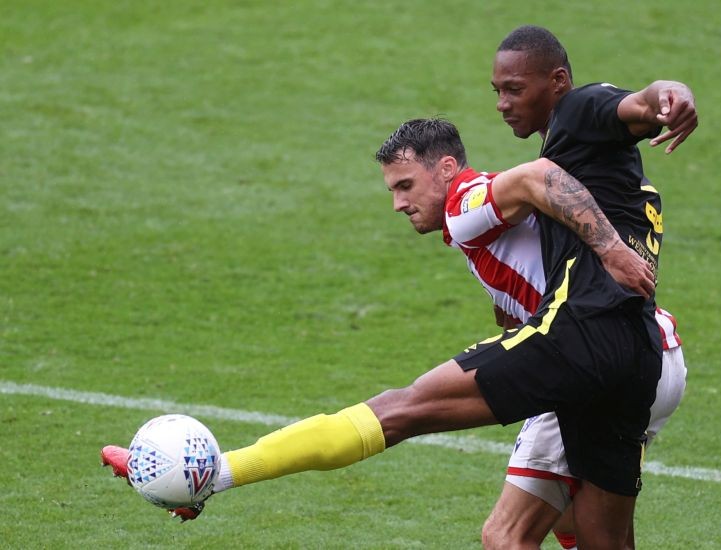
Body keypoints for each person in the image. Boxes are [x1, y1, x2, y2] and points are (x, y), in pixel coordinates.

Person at [103, 114, 690, 549]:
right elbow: (529, 293)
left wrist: (611, 250)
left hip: (594, 352)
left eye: (405, 185)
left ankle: (220, 472)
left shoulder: (467, 202)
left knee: (402, 416)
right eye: (391, 190)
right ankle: (213, 478)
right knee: (560, 526)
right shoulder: (481, 237)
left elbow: (538, 176)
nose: (397, 203)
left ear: (446, 169)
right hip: (650, 356)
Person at [480, 25, 696, 549]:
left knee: (504, 536)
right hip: (642, 352)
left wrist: (671, 96)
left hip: (592, 346)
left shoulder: (577, 111)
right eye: (497, 92)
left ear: (556, 81)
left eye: (514, 89)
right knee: (590, 533)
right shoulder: (593, 162)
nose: (503, 104)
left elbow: (637, 105)